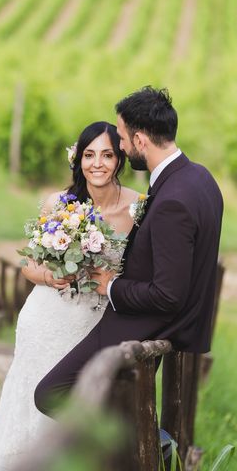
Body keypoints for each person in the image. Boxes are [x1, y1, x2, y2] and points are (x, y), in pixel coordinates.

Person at [0, 121, 141, 470]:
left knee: (83, 393)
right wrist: (50, 276)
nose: (97, 163)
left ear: (119, 159)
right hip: (46, 316)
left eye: (107, 154)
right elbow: (28, 264)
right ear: (78, 159)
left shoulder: (138, 208)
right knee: (30, 398)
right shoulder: (58, 203)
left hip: (95, 321)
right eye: (89, 155)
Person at [34, 86, 224, 416]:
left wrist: (110, 286)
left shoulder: (173, 201)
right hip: (156, 319)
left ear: (139, 141)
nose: (119, 146)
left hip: (145, 322)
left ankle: (130, 445)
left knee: (50, 393)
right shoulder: (199, 177)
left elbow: (168, 295)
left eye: (121, 138)